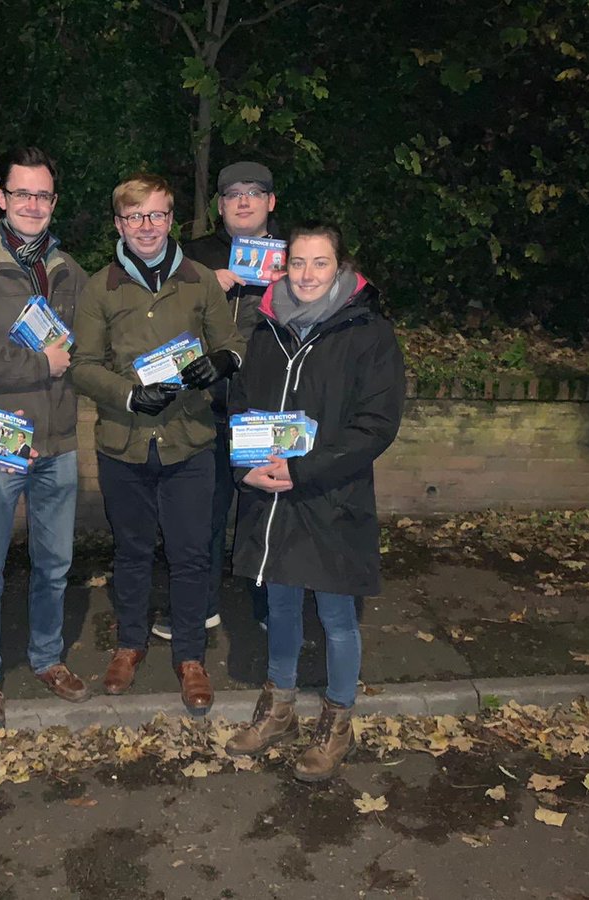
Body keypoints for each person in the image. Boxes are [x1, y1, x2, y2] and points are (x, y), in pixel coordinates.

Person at [224, 224, 404, 782]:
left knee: (335, 616)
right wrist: (245, 467)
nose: (306, 274)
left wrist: (302, 470)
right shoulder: (267, 329)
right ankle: (279, 707)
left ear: (341, 268)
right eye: (297, 262)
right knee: (280, 606)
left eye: (319, 263)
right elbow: (242, 406)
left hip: (332, 495)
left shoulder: (368, 333)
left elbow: (376, 425)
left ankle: (337, 720)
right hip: (273, 497)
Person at [69, 173, 245, 716]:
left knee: (191, 553)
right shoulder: (100, 288)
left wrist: (221, 362)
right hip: (124, 443)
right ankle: (130, 643)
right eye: (134, 216)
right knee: (132, 551)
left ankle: (190, 655)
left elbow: (232, 342)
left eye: (157, 214)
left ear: (172, 220)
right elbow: (82, 365)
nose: (146, 226)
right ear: (119, 223)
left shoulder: (200, 281)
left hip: (189, 440)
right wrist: (127, 396)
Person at [0, 147, 89, 730]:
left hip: (58, 443)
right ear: (1, 197)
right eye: (21, 193)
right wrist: (40, 365)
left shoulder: (69, 270)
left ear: (54, 202)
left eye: (42, 195)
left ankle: (47, 658)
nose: (32, 204)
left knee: (55, 565)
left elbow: (80, 352)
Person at [155, 161, 280, 641]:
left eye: (254, 192)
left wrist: (284, 288)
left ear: (270, 201)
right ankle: (197, 607)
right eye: (233, 194)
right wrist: (207, 284)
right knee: (199, 516)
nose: (244, 201)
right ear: (220, 205)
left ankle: (270, 606)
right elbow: (160, 314)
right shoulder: (193, 257)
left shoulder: (293, 259)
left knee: (264, 512)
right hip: (203, 407)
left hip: (264, 409)